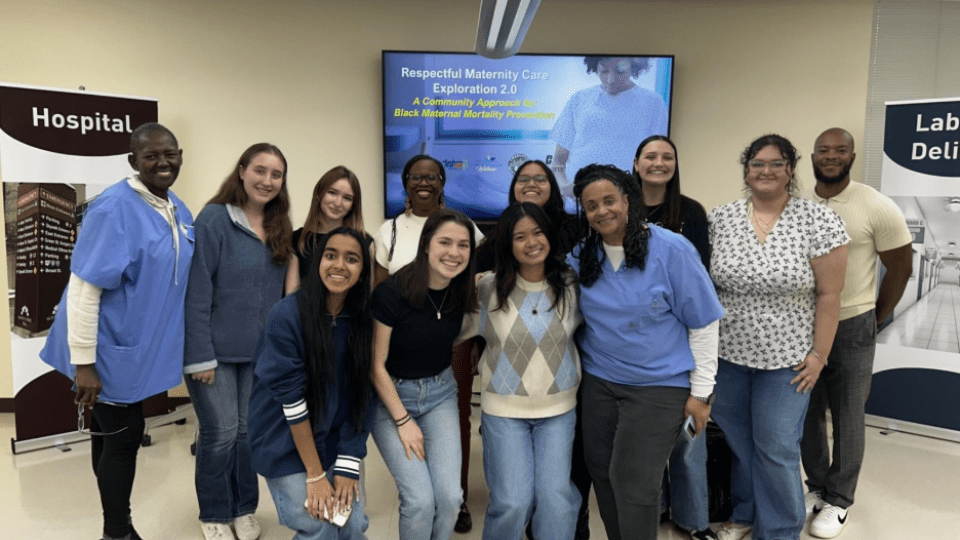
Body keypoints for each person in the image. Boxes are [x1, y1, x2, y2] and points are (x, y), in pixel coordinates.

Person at [39, 123, 194, 540]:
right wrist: (84, 363)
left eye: (170, 154)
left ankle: (116, 527)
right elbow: (85, 290)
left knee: (110, 435)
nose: (163, 163)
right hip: (106, 349)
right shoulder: (114, 208)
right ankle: (118, 531)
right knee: (125, 439)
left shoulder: (177, 207)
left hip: (136, 347)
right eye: (151, 156)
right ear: (133, 161)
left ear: (181, 156)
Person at [570, 164, 724, 540]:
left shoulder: (671, 249)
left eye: (609, 200)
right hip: (600, 383)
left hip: (658, 387)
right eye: (592, 206)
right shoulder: (582, 254)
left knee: (635, 482)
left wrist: (701, 393)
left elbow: (703, 322)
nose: (602, 211)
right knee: (602, 472)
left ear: (628, 199)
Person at [708, 134, 849, 540]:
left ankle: (780, 531)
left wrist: (819, 356)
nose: (765, 171)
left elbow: (829, 295)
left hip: (788, 361)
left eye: (776, 163)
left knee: (777, 449)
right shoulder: (722, 218)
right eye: (757, 163)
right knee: (741, 444)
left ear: (790, 169)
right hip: (729, 356)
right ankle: (747, 513)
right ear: (746, 170)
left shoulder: (818, 220)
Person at [801, 128, 912, 539]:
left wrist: (877, 317)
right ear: (813, 156)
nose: (831, 156)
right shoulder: (797, 203)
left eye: (840, 150)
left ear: (851, 155)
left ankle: (839, 501)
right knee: (807, 414)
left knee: (848, 414)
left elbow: (901, 267)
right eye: (824, 150)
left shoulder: (875, 205)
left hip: (852, 324)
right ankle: (815, 488)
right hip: (803, 326)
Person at [183, 143, 292, 540]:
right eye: (259, 171)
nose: (267, 181)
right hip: (213, 355)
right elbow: (196, 293)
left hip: (258, 356)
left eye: (276, 174)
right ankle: (214, 511)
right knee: (221, 433)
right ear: (242, 171)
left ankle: (244, 507)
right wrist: (199, 358)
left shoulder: (279, 225)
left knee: (248, 434)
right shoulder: (213, 219)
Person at [371, 155, 482, 533]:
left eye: (463, 246)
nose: (454, 253)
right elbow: (375, 367)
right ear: (426, 244)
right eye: (445, 243)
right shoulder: (391, 293)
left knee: (451, 499)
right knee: (420, 501)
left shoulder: (463, 291)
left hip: (439, 393)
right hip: (392, 399)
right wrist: (403, 421)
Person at [459, 202, 582, 540]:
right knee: (513, 502)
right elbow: (451, 329)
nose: (531, 242)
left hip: (558, 409)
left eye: (538, 232)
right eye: (520, 236)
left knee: (556, 500)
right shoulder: (488, 289)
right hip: (503, 410)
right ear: (508, 244)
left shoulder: (572, 285)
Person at [248, 228, 376, 540]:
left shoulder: (362, 320)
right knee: (320, 525)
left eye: (352, 259)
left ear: (362, 272)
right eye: (330, 255)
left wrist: (348, 462)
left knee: (352, 525)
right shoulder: (287, 315)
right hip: (284, 441)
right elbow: (292, 403)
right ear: (318, 262)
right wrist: (316, 474)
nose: (339, 265)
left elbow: (363, 396)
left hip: (332, 439)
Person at [633, 135, 715, 540]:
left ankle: (693, 519)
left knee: (687, 433)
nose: (658, 163)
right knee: (647, 436)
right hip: (636, 338)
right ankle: (659, 505)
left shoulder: (692, 213)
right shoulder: (620, 209)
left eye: (667, 156)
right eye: (650, 156)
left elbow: (699, 281)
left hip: (683, 334)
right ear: (636, 163)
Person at [550, 56, 668, 195]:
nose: (611, 80)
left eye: (620, 71)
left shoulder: (652, 102)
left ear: (634, 68)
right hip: (577, 204)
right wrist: (565, 188)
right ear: (595, 67)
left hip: (628, 204)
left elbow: (658, 161)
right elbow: (558, 163)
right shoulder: (579, 99)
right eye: (604, 71)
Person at [474, 160, 579, 273]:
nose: (531, 184)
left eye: (540, 179)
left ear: (552, 187)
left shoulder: (575, 229)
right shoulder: (497, 238)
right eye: (523, 180)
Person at [286, 165, 367, 294]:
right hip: (306, 313)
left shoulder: (365, 242)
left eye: (347, 198)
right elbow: (291, 296)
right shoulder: (296, 239)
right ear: (318, 194)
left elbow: (367, 296)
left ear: (353, 205)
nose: (338, 203)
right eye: (332, 193)